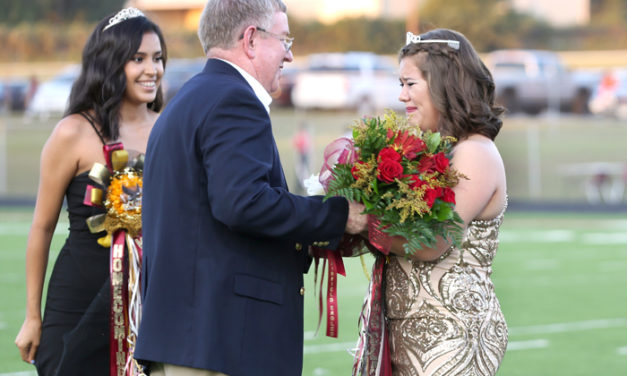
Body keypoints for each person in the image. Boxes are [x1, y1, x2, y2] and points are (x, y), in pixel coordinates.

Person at [134, 1, 367, 375]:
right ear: (251, 40)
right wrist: (339, 216)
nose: (289, 55)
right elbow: (243, 203)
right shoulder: (234, 99)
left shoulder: (190, 99)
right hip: (221, 341)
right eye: (284, 39)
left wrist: (305, 236)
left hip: (190, 338)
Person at [14, 8, 167, 375]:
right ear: (111, 64)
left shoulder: (170, 129)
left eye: (158, 58)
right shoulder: (72, 132)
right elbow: (42, 228)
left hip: (151, 306)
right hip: (77, 305)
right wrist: (32, 316)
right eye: (139, 58)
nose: (153, 70)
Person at [368, 29, 508, 375]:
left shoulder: (475, 151)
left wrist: (362, 223)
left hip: (453, 334)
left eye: (410, 84)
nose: (401, 96)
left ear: (444, 84)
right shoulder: (438, 150)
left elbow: (432, 242)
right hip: (412, 330)